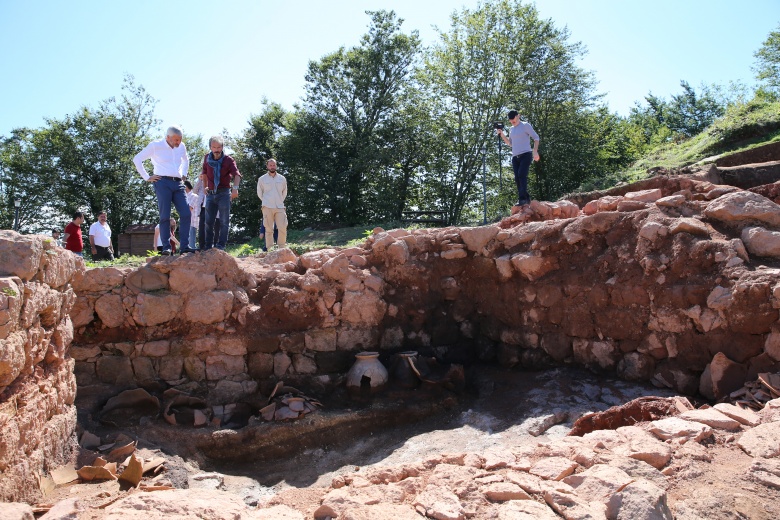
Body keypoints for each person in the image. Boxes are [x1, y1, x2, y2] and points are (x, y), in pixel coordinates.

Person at [133, 126, 193, 255]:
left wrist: (184, 174)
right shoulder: (155, 145)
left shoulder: (181, 146)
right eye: (176, 140)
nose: (178, 142)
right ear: (168, 137)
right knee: (165, 215)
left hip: (178, 183)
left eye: (180, 139)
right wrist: (147, 177)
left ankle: (185, 246)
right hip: (162, 182)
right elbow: (137, 159)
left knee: (186, 213)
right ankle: (166, 247)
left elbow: (185, 160)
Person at [200, 135, 241, 250]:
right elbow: (204, 173)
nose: (216, 150)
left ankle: (221, 246)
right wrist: (205, 187)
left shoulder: (228, 160)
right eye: (214, 147)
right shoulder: (207, 158)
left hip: (224, 193)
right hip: (210, 194)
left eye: (219, 147)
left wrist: (235, 188)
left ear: (222, 147)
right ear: (210, 147)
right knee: (208, 222)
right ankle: (208, 247)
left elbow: (236, 175)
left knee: (224, 221)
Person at [496, 110, 540, 207]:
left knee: (521, 174)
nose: (512, 121)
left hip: (526, 154)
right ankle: (526, 198)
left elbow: (536, 138)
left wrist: (535, 151)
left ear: (518, 116)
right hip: (515, 157)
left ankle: (522, 199)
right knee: (517, 178)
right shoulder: (512, 129)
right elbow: (510, 143)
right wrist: (502, 135)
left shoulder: (525, 125)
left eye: (513, 119)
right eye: (510, 120)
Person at [256, 158, 288, 250]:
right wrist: (266, 201)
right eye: (270, 165)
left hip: (280, 206)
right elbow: (259, 193)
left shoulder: (282, 178)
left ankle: (282, 248)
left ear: (276, 166)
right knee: (268, 229)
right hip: (267, 206)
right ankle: (269, 249)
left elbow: (284, 192)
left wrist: (280, 200)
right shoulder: (262, 179)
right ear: (267, 166)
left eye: (274, 165)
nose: (272, 167)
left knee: (282, 227)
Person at [184, 180, 201, 250]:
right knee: (187, 242)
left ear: (186, 187)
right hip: (186, 222)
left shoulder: (194, 196)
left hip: (192, 222)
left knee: (191, 243)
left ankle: (193, 257)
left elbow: (189, 208)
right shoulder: (185, 196)